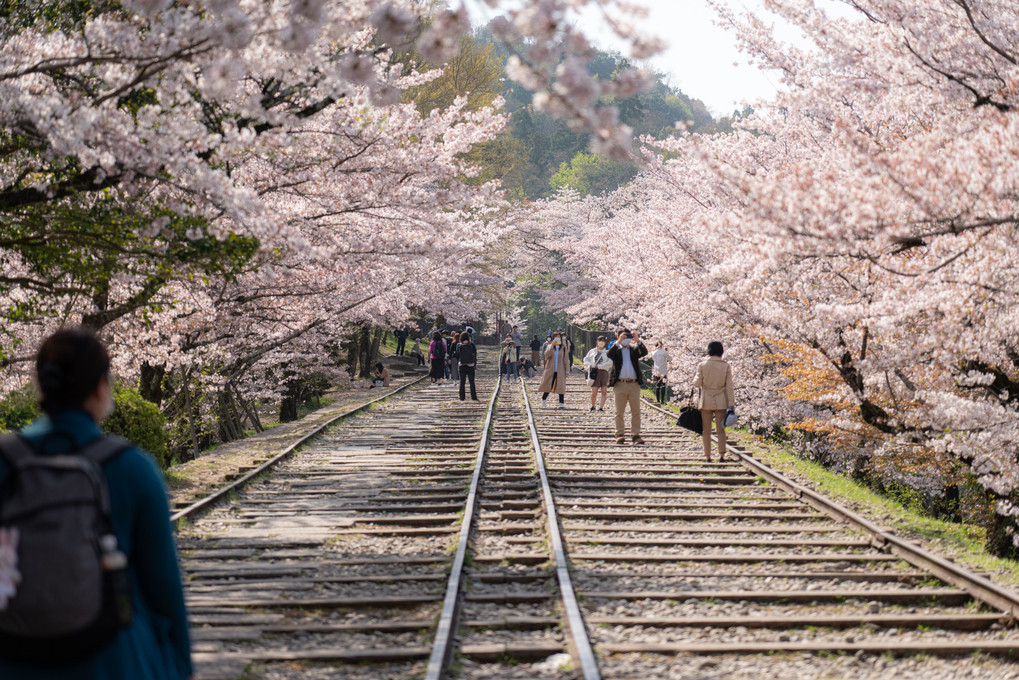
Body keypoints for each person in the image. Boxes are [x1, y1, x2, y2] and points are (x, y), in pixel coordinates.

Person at [0, 329, 192, 680]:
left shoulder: (4, 462)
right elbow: (162, 583)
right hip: (112, 658)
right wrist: (182, 664)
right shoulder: (132, 467)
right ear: (101, 386)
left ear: (43, 385)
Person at [694, 341, 736, 462]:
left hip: (706, 400)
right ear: (721, 352)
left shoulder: (702, 365)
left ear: (709, 352)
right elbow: (729, 387)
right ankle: (721, 455)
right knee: (720, 430)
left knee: (706, 430)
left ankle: (708, 456)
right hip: (721, 400)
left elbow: (697, 383)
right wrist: (731, 404)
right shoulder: (726, 366)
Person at [607, 329, 649, 444]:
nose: (626, 339)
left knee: (636, 411)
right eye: (623, 337)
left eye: (627, 337)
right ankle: (619, 434)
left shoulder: (634, 350)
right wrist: (618, 342)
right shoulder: (616, 350)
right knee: (619, 411)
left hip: (634, 384)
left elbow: (644, 353)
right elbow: (609, 354)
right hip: (620, 383)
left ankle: (635, 435)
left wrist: (637, 340)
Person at [538, 331, 570, 407]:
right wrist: (552, 346)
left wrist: (567, 370)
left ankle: (561, 403)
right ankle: (544, 399)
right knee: (548, 385)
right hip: (551, 369)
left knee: (560, 386)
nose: (558, 338)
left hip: (560, 369)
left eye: (559, 337)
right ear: (553, 338)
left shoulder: (563, 347)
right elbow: (546, 355)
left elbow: (566, 359)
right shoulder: (549, 346)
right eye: (556, 337)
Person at [583, 335, 613, 412]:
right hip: (594, 372)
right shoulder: (592, 351)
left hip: (604, 372)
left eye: (603, 341)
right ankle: (593, 406)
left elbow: (610, 362)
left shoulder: (607, 352)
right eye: (600, 340)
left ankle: (601, 407)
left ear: (605, 343)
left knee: (604, 391)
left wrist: (600, 366)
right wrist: (591, 365)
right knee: (594, 391)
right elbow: (586, 360)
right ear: (597, 341)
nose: (601, 342)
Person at [456, 330, 479, 401]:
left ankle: (462, 397)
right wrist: (475, 363)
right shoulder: (472, 344)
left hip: (462, 365)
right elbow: (475, 354)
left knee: (462, 382)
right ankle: (473, 397)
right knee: (472, 382)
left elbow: (457, 354)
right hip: (471, 365)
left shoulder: (458, 345)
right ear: (468, 338)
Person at [651, 340, 672, 405]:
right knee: (663, 386)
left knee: (657, 385)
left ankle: (657, 400)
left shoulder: (653, 353)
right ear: (661, 345)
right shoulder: (664, 352)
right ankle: (662, 401)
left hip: (656, 371)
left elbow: (653, 360)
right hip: (663, 371)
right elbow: (670, 359)